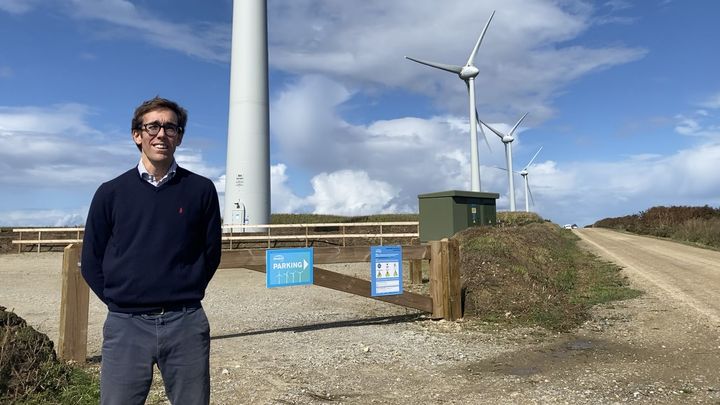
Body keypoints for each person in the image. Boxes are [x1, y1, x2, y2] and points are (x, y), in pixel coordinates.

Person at [81, 96, 222, 405]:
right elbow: (91, 260)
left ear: (180, 137)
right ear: (137, 135)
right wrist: (123, 299)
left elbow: (210, 253)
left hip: (185, 322)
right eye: (153, 126)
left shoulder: (201, 190)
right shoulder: (110, 193)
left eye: (171, 127)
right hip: (126, 325)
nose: (162, 134)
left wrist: (184, 289)